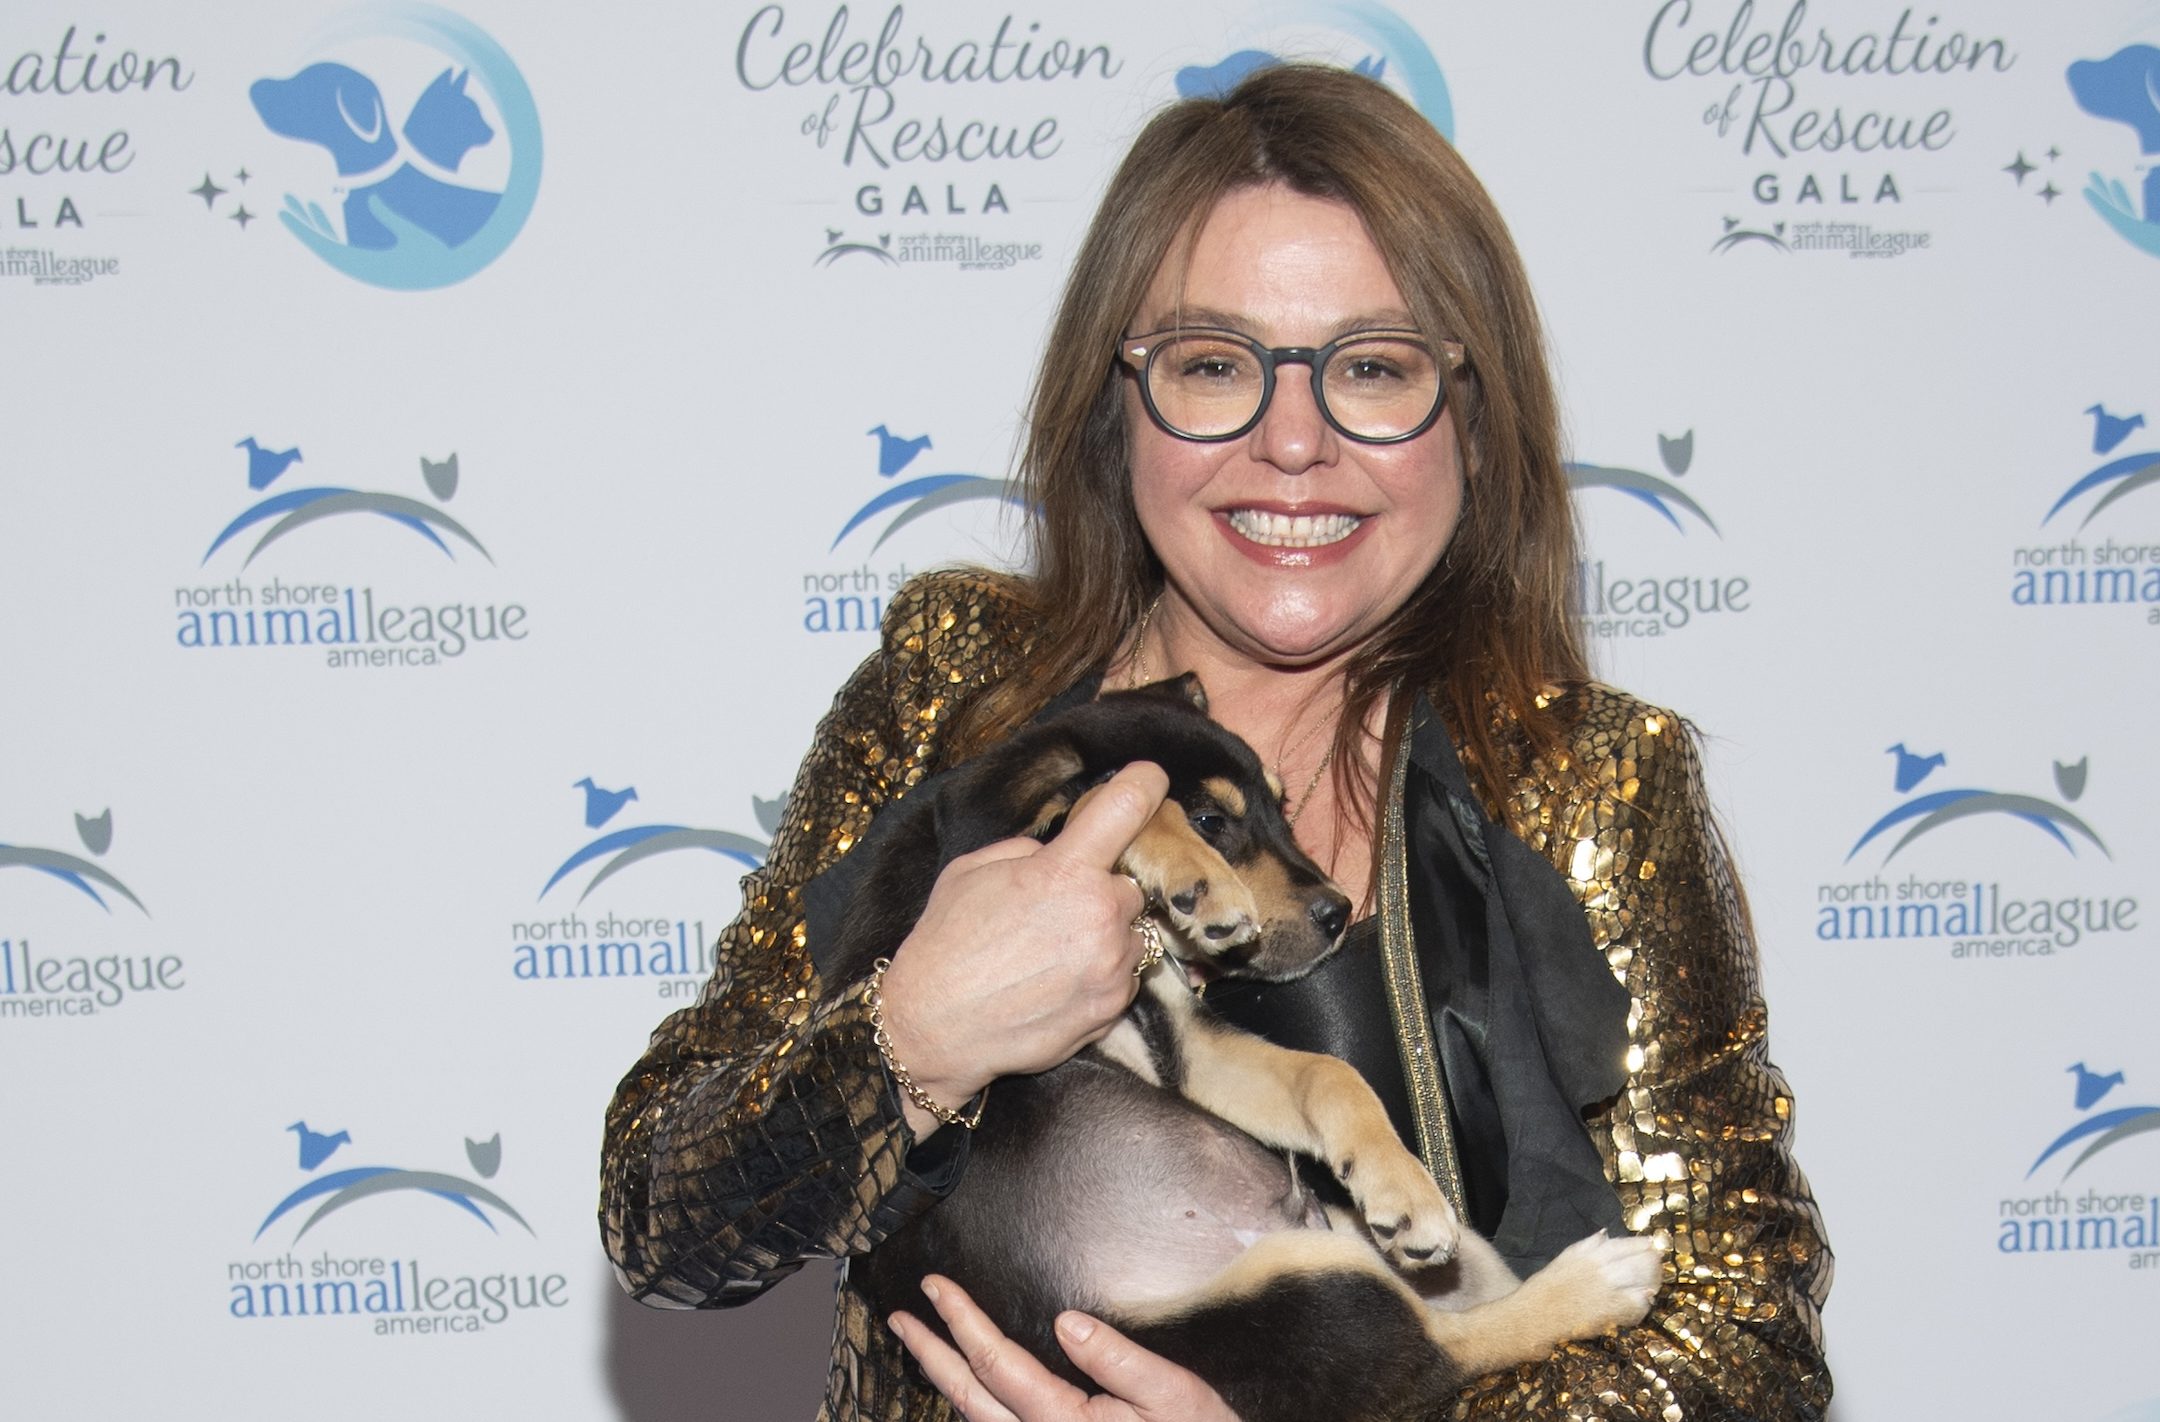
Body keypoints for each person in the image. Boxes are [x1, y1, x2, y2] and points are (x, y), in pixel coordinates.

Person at [599, 63, 1831, 1422]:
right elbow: (666, 1220)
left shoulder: (1587, 781)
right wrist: (911, 1037)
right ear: (1116, 407)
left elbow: (1743, 1346)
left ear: (1471, 423)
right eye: (1211, 365)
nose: (1290, 441)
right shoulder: (955, 705)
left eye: (1371, 367)